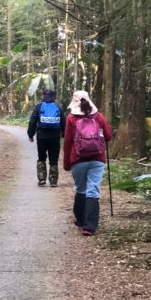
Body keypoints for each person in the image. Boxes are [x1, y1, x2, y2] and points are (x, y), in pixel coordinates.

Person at [63, 90, 112, 236]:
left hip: (78, 159)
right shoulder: (99, 116)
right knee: (93, 190)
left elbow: (67, 143)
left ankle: (80, 219)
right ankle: (90, 226)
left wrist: (67, 163)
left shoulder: (71, 118)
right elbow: (108, 136)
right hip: (97, 159)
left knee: (81, 188)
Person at [27, 89, 66, 187]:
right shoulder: (58, 107)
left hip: (41, 137)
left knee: (41, 157)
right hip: (55, 137)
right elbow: (64, 122)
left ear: (43, 96)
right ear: (53, 97)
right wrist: (64, 134)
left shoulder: (39, 107)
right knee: (53, 159)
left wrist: (30, 134)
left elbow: (32, 121)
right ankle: (53, 181)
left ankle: (42, 179)